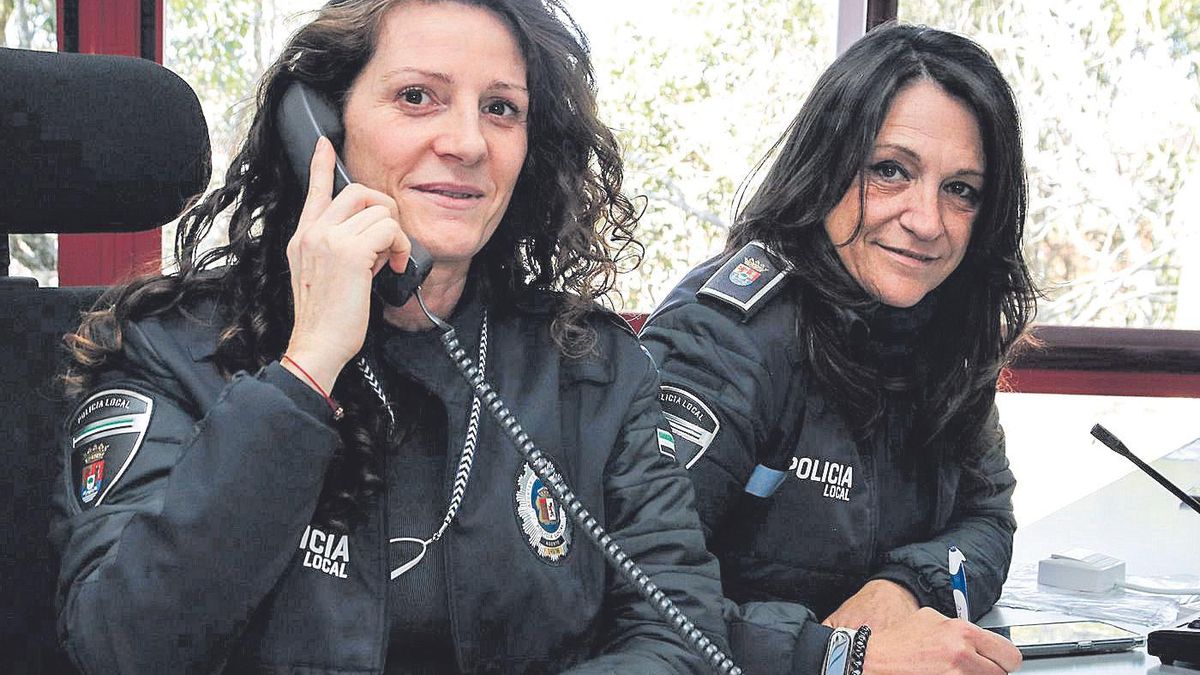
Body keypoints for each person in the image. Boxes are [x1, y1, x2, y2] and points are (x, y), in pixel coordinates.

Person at [50, 1, 729, 673]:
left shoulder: (594, 366)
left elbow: (679, 637)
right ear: (318, 128)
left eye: (501, 109)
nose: (468, 142)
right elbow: (124, 644)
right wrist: (306, 368)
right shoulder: (170, 348)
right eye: (416, 97)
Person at [640, 23, 1036, 675]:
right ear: (827, 165)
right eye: (890, 171)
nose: (927, 220)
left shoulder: (946, 326)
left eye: (960, 189)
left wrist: (904, 586)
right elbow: (630, 592)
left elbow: (986, 521)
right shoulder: (725, 335)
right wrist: (843, 655)